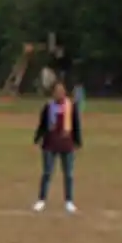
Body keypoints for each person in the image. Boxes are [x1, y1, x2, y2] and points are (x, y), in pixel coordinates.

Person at [32, 80, 83, 214]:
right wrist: (36, 139)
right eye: (56, 91)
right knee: (47, 173)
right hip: (50, 143)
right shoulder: (48, 107)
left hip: (67, 144)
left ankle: (69, 201)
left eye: (61, 90)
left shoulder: (71, 106)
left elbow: (76, 125)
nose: (59, 93)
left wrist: (78, 141)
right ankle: (41, 200)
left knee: (68, 174)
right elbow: (42, 125)